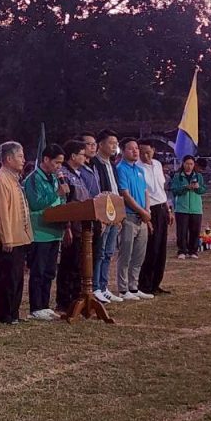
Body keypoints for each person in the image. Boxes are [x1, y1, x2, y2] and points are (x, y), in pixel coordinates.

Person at [0, 142, 34, 325]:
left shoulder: (14, 178)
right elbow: (0, 212)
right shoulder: (0, 179)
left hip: (19, 236)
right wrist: (6, 238)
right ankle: (5, 314)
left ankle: (13, 312)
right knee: (7, 277)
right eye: (20, 156)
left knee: (17, 277)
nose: (23, 160)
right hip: (9, 238)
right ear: (8, 158)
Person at [23, 144, 69, 321]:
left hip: (55, 230)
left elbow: (61, 201)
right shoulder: (33, 179)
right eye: (57, 162)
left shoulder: (56, 178)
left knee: (49, 271)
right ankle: (36, 307)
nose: (59, 166)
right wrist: (56, 193)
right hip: (40, 232)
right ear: (46, 159)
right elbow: (35, 204)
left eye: (61, 163)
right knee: (38, 271)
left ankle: (45, 305)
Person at [115, 138, 153, 301]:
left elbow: (145, 191)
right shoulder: (120, 169)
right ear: (123, 151)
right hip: (129, 216)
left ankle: (134, 286)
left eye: (136, 148)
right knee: (126, 253)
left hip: (142, 217)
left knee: (139, 254)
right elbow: (124, 193)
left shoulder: (140, 170)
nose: (135, 151)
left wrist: (147, 211)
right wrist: (141, 211)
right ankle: (123, 289)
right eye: (131, 149)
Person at [56, 140, 91, 313]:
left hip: (82, 226)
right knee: (68, 264)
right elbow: (66, 202)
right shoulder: (64, 175)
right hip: (72, 226)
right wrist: (67, 227)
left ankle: (77, 297)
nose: (85, 157)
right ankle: (65, 301)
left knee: (78, 264)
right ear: (73, 156)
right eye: (82, 154)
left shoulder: (78, 174)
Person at [91, 129, 123, 303]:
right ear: (101, 144)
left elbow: (116, 190)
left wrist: (119, 215)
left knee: (109, 252)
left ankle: (104, 287)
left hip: (114, 213)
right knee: (100, 252)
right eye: (111, 143)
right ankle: (96, 287)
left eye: (116, 144)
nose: (114, 147)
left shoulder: (112, 164)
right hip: (103, 213)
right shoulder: (95, 163)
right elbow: (98, 191)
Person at [138, 140, 174, 294]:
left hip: (162, 207)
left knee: (161, 248)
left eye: (148, 152)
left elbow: (161, 189)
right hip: (149, 209)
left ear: (153, 150)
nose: (145, 156)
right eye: (142, 152)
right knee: (150, 248)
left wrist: (168, 209)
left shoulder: (158, 165)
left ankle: (156, 283)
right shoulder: (138, 167)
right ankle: (144, 284)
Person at [171, 156, 206, 259]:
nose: (189, 166)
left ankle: (193, 251)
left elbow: (203, 190)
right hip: (182, 208)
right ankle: (182, 251)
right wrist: (186, 187)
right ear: (183, 164)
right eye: (187, 164)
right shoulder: (178, 176)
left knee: (195, 231)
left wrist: (198, 188)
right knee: (182, 231)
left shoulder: (199, 176)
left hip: (196, 208)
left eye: (191, 164)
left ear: (194, 165)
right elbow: (174, 190)